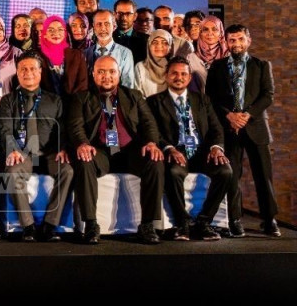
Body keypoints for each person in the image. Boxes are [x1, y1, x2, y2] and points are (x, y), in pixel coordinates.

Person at [66, 55, 164, 245]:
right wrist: (83, 143)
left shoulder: (133, 96)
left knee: (155, 160)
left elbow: (149, 123)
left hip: (130, 151)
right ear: (93, 74)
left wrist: (152, 142)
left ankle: (147, 225)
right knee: (84, 161)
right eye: (101, 72)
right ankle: (91, 225)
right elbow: (75, 125)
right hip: (99, 151)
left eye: (112, 71)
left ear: (119, 74)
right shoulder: (81, 97)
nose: (107, 76)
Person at [206, 24, 279, 238]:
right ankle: (235, 220)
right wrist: (229, 115)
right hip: (229, 129)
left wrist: (247, 115)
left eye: (240, 39)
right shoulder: (216, 67)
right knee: (232, 176)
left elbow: (268, 95)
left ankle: (269, 219)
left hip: (256, 127)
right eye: (232, 40)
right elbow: (210, 98)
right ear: (226, 42)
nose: (236, 44)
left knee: (264, 176)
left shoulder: (262, 65)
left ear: (248, 41)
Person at [147, 57, 231, 242]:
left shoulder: (202, 100)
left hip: (202, 153)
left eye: (183, 74)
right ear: (166, 76)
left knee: (225, 171)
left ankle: (204, 222)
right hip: (177, 153)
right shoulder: (154, 102)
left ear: (190, 77)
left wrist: (216, 148)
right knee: (174, 172)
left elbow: (216, 128)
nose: (179, 77)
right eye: (174, 73)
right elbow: (153, 132)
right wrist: (169, 149)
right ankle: (182, 222)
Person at [0, 53, 73, 242]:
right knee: (12, 171)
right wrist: (12, 149)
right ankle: (28, 226)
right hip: (22, 154)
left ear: (40, 72)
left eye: (32, 68)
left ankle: (50, 225)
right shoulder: (8, 100)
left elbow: (63, 129)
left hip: (50, 154)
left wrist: (63, 148)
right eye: (23, 69)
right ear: (17, 73)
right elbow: (4, 129)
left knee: (68, 171)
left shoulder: (55, 100)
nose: (28, 72)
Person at [84, 9, 136, 89]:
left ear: (114, 26)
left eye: (107, 24)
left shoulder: (125, 53)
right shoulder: (85, 54)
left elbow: (128, 85)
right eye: (99, 24)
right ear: (94, 27)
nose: (103, 28)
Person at [37, 15, 87, 96]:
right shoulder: (37, 57)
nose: (56, 33)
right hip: (46, 102)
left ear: (65, 33)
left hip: (74, 102)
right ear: (44, 34)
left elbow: (82, 85)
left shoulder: (77, 55)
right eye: (51, 30)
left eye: (60, 29)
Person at [187, 15, 229, 92]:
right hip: (200, 99)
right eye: (205, 29)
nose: (210, 33)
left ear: (221, 32)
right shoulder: (191, 58)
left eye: (214, 29)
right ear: (200, 33)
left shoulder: (229, 56)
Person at [133, 29, 172, 98]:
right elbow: (138, 95)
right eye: (155, 42)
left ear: (170, 47)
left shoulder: (174, 67)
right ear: (149, 45)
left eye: (164, 43)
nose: (159, 46)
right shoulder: (140, 67)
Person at [112, 0, 148, 65]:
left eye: (128, 13)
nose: (124, 18)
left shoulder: (147, 40)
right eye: (120, 13)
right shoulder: (107, 39)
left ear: (135, 16)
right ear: (114, 15)